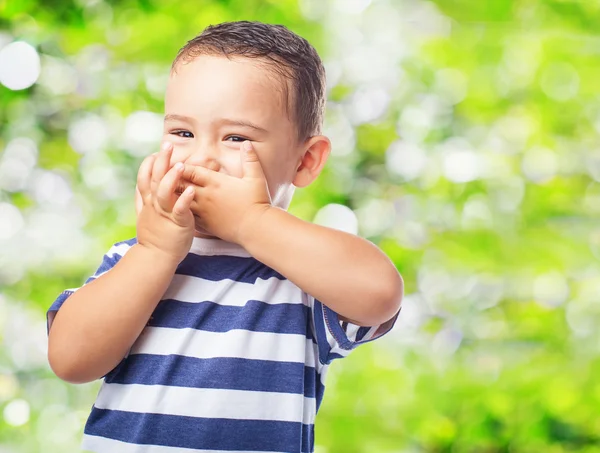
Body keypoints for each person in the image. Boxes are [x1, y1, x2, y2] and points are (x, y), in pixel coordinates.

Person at [47, 21, 403, 453]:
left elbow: (381, 293)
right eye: (182, 133)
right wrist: (155, 251)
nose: (201, 158)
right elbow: (70, 360)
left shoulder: (302, 281)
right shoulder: (133, 259)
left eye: (236, 137)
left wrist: (251, 221)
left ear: (305, 161)